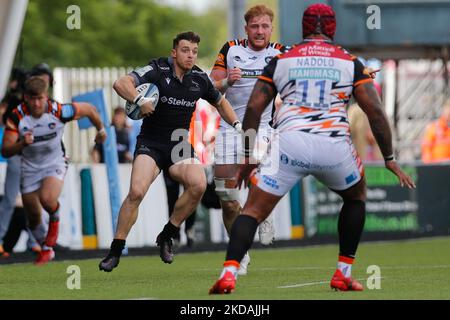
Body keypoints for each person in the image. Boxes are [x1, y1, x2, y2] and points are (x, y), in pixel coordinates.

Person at [209, 3, 416, 294]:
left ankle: (229, 272)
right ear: (333, 28)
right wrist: (390, 158)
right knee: (356, 197)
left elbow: (255, 108)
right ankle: (343, 271)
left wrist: (247, 155)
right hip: (334, 146)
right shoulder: (349, 61)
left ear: (304, 27)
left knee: (252, 209)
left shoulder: (283, 58)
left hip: (289, 144)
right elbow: (377, 113)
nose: (259, 31)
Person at [98, 31, 242, 272]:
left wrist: (238, 126)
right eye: (185, 50)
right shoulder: (157, 69)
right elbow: (120, 83)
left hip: (178, 144)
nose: (190, 55)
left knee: (198, 184)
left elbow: (220, 101)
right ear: (174, 52)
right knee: (136, 192)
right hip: (151, 143)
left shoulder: (199, 79)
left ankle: (168, 233)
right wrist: (138, 99)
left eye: (194, 51)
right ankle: (115, 250)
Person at [210, 4, 288, 275]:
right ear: (246, 29)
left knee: (258, 180)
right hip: (229, 128)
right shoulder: (230, 49)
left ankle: (261, 217)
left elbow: (305, 74)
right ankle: (240, 252)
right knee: (227, 197)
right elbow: (212, 86)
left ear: (271, 28)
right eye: (254, 26)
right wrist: (227, 82)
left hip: (264, 129)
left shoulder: (280, 52)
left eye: (264, 26)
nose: (259, 31)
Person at [1, 76, 107, 265]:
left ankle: (51, 236)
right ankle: (46, 248)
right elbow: (6, 150)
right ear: (25, 97)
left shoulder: (58, 110)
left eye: (40, 98)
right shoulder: (17, 116)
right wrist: (21, 143)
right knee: (33, 217)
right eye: (32, 98)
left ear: (46, 96)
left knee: (48, 200)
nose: (36, 103)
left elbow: (90, 110)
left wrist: (100, 130)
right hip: (29, 168)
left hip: (54, 163)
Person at [0, 67, 43, 258]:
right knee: (9, 200)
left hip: (33, 157)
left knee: (33, 200)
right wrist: (12, 92)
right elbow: (5, 117)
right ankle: (0, 239)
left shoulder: (39, 108)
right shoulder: (15, 107)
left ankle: (35, 241)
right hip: (18, 155)